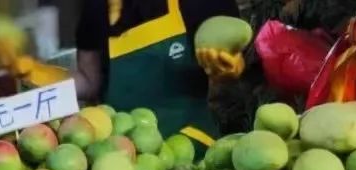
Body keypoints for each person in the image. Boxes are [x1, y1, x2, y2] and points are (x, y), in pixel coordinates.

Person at [74, 0, 236, 138]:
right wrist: (52, 88)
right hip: (122, 154)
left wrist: (228, 70)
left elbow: (233, 71)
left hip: (193, 145)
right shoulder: (97, 6)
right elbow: (89, 81)